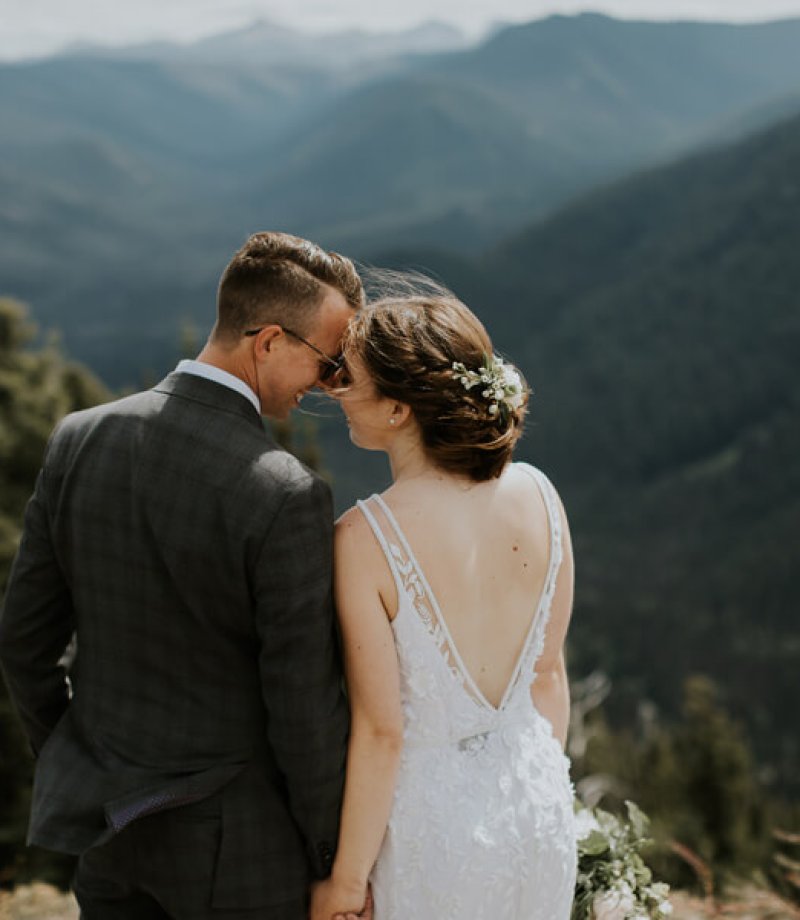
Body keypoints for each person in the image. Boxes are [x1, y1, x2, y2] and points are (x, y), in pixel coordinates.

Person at [0, 231, 369, 920]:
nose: (325, 384)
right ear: (268, 343)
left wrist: (79, 760)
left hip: (107, 833)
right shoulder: (285, 493)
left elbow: (23, 642)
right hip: (239, 854)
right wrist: (331, 860)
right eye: (326, 361)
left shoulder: (79, 437)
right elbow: (301, 709)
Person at [310, 290, 577, 920]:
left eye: (349, 378)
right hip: (538, 808)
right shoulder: (541, 493)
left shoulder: (363, 537)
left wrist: (345, 884)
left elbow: (381, 733)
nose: (335, 390)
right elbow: (548, 675)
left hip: (436, 835)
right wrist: (537, 787)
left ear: (399, 409)